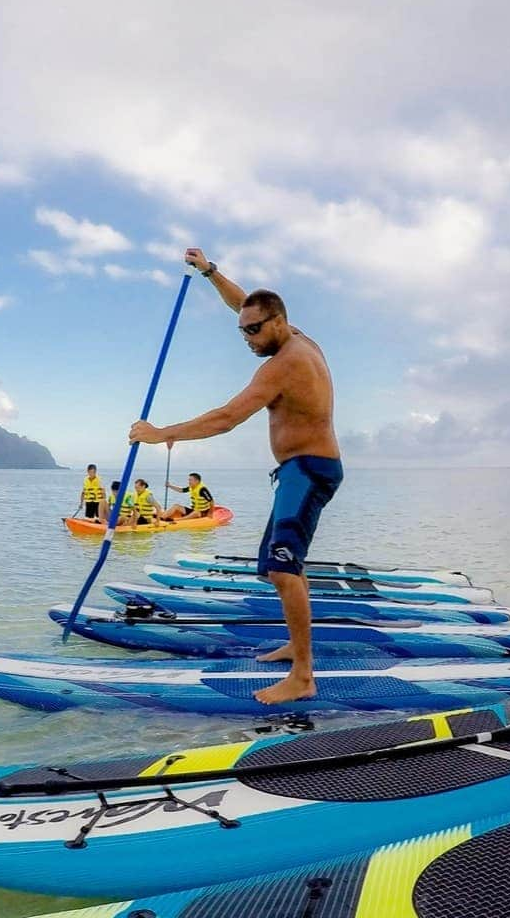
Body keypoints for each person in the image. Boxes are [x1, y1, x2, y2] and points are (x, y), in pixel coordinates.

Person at [129, 248, 342, 705]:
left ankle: (304, 676)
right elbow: (244, 302)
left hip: (308, 470)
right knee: (278, 568)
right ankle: (296, 647)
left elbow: (227, 417)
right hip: (298, 471)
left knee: (283, 569)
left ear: (278, 323)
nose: (245, 337)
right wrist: (210, 272)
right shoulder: (296, 338)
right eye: (241, 329)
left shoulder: (282, 364)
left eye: (253, 330)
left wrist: (160, 433)